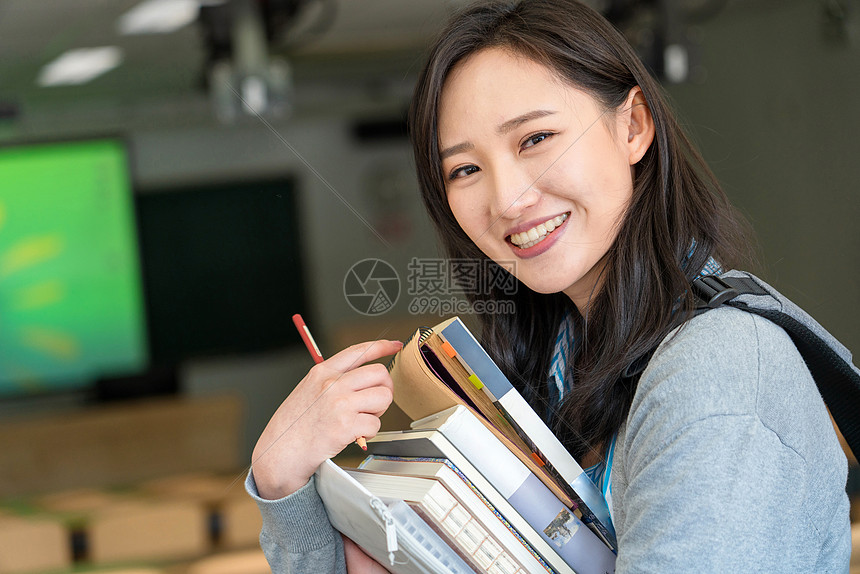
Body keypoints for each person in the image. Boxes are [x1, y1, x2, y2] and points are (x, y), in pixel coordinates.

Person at [246, 0, 852, 572]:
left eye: (535, 139)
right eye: (464, 169)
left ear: (633, 125)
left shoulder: (716, 371)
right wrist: (281, 485)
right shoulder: (558, 368)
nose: (507, 198)